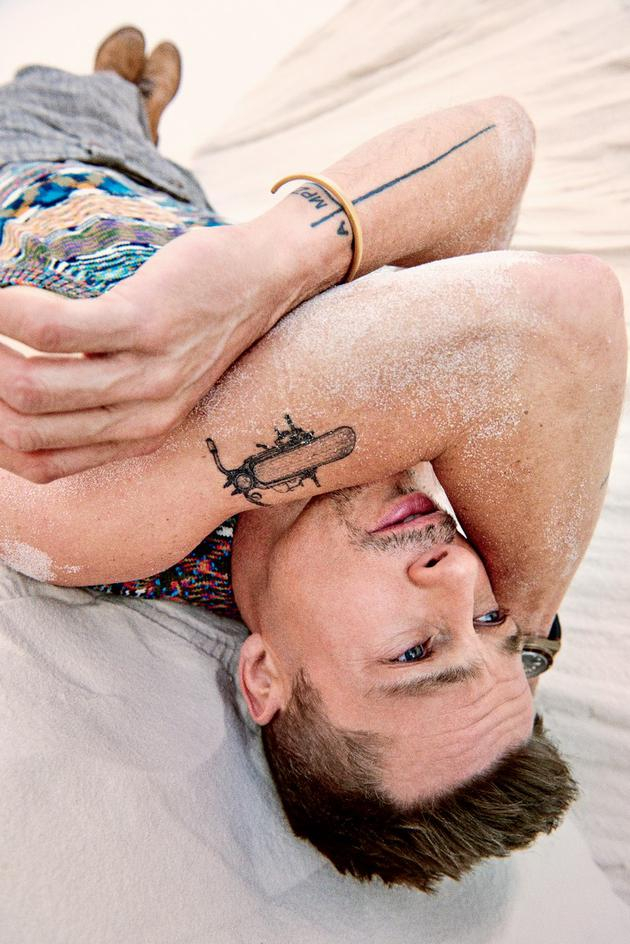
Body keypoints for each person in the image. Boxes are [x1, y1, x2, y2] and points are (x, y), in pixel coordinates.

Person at [0, 27, 626, 892]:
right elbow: (500, 147)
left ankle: (121, 91)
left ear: (265, 677)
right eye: (490, 624)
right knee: (127, 107)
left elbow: (562, 318)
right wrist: (257, 265)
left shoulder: (109, 522)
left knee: (70, 83)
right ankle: (135, 104)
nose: (457, 575)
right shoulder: (417, 472)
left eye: (415, 652)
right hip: (167, 195)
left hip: (28, 160)